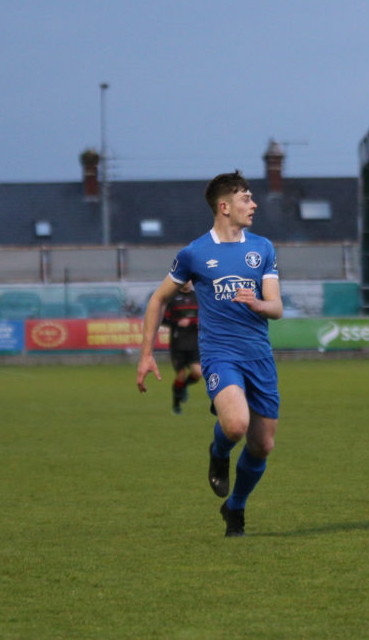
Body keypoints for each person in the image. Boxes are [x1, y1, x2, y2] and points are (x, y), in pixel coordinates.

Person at [137, 171, 283, 537]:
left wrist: (258, 303)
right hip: (220, 355)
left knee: (262, 445)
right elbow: (158, 300)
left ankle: (235, 507)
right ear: (224, 206)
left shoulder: (263, 248)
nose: (254, 204)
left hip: (259, 357)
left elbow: (277, 307)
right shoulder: (195, 253)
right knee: (236, 425)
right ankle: (218, 453)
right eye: (246, 198)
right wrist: (146, 354)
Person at [162, 281, 202, 414]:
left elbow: (205, 315)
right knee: (181, 374)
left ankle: (183, 386)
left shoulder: (197, 296)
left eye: (189, 279)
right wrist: (177, 323)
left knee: (198, 373)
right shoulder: (172, 298)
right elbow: (163, 319)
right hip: (178, 343)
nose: (187, 282)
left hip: (194, 342)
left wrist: (200, 323)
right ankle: (176, 405)